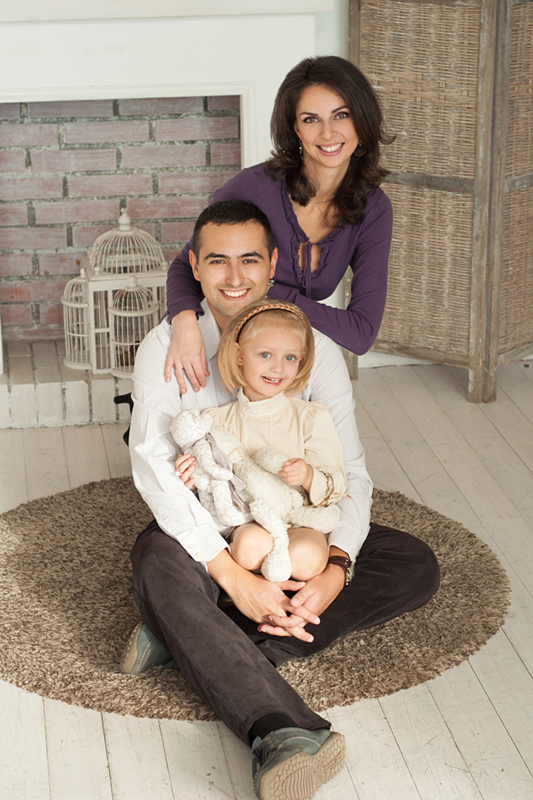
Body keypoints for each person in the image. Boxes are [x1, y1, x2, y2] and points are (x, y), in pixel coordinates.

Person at [121, 199, 439, 800]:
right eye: (217, 261)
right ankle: (284, 731)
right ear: (194, 267)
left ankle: (191, 633)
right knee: (156, 562)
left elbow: (351, 472)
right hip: (213, 526)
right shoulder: (167, 346)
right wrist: (233, 578)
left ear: (272, 265)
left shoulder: (311, 347)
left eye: (249, 260)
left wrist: (338, 569)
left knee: (412, 563)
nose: (234, 276)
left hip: (294, 524)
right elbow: (156, 474)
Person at [163, 55, 395, 395]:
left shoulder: (374, 209)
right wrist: (184, 324)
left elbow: (360, 333)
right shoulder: (252, 189)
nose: (328, 133)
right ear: (295, 128)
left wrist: (269, 292)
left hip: (280, 361)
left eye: (341, 115)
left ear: (362, 119)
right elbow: (188, 265)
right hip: (212, 344)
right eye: (311, 119)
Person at [175, 299, 347, 582]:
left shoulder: (309, 416)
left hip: (301, 518)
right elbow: (211, 480)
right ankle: (257, 591)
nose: (278, 367)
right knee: (249, 547)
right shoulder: (217, 422)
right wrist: (191, 480)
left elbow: (337, 483)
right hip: (250, 520)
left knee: (307, 557)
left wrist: (307, 475)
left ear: (301, 360)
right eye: (265, 354)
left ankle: (286, 589)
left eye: (290, 358)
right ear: (239, 355)